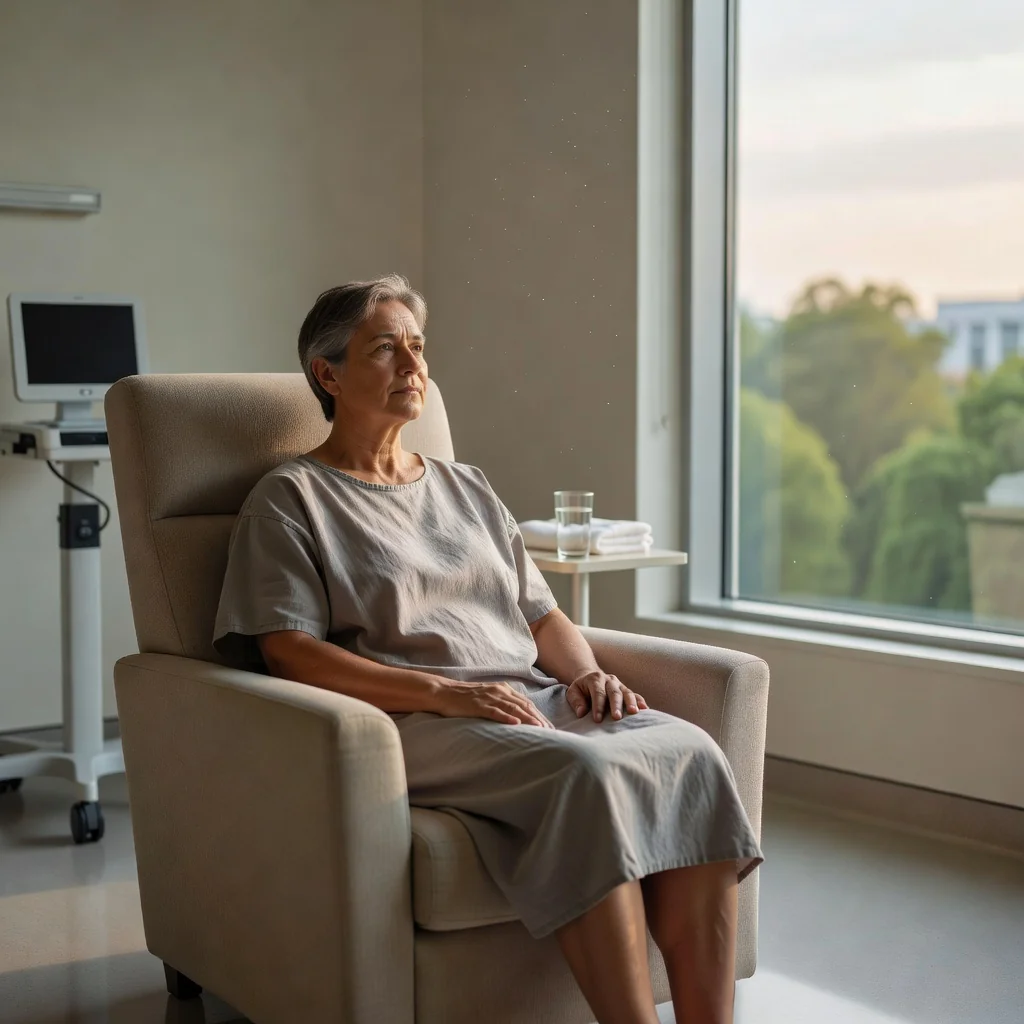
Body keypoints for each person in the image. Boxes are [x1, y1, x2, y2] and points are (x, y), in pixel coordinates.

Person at [213, 274, 762, 1024]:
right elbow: (289, 653)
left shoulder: (467, 487)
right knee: (583, 774)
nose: (414, 365)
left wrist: (589, 673)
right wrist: (445, 693)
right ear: (327, 375)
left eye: (418, 346)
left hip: (525, 697)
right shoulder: (292, 498)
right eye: (385, 349)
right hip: (413, 719)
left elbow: (541, 616)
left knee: (691, 752)